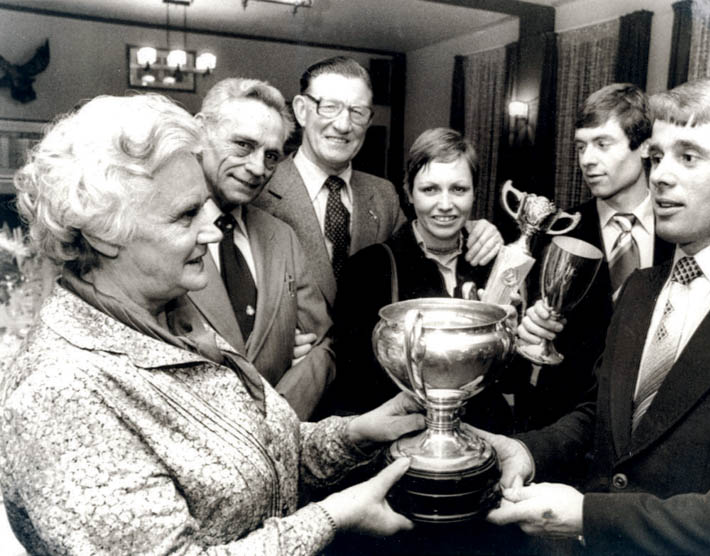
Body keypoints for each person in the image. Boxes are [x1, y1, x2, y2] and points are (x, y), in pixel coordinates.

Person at [0, 93, 430, 554]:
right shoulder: (60, 392)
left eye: (204, 206)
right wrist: (330, 519)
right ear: (104, 231)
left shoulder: (171, 316)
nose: (212, 227)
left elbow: (258, 454)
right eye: (186, 214)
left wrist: (359, 431)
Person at [489, 75, 710, 554]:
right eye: (656, 156)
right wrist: (530, 449)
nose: (658, 175)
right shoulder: (642, 286)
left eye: (689, 156)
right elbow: (608, 419)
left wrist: (588, 517)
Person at [253, 56, 502, 310]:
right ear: (301, 110)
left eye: (357, 112)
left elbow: (420, 249)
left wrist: (473, 231)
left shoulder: (383, 195)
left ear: (369, 121)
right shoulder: (258, 190)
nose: (343, 125)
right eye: (329, 107)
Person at [321, 128, 513, 434]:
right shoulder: (369, 269)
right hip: (404, 441)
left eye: (459, 189)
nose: (446, 204)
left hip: (485, 438)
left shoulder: (495, 262)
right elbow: (356, 386)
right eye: (430, 189)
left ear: (475, 192)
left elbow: (513, 378)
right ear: (409, 192)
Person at [516, 83, 673, 436]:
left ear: (645, 146)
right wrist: (526, 331)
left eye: (602, 144)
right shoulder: (554, 232)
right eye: (581, 146)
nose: (587, 159)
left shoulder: (681, 233)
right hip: (563, 426)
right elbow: (527, 337)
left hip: (652, 424)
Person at [189, 77, 334, 420]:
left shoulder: (281, 237)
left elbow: (324, 346)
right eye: (243, 145)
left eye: (271, 156)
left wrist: (279, 415)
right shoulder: (158, 234)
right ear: (199, 132)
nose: (258, 168)